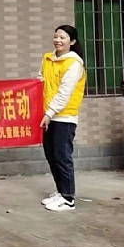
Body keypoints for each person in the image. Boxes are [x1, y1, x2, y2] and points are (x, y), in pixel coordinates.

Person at [38, 24, 86, 212]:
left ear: (72, 42)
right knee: (51, 155)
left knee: (62, 156)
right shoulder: (47, 58)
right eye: (56, 36)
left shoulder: (74, 64)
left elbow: (64, 93)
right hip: (48, 116)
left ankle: (68, 198)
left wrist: (49, 113)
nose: (58, 40)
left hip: (64, 117)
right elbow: (40, 81)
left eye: (63, 37)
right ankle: (61, 191)